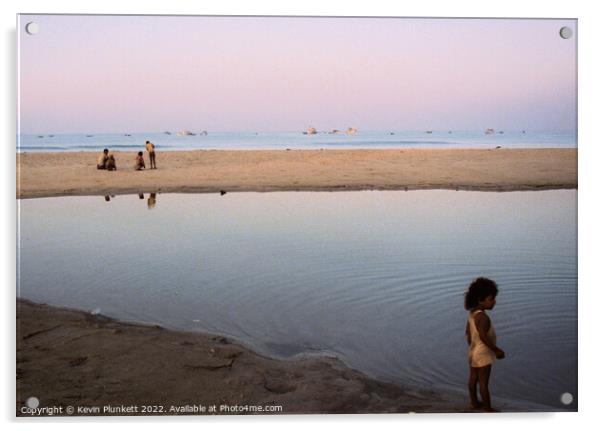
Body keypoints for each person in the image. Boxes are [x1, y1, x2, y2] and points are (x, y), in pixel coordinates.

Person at [464, 277, 505, 412]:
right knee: (483, 383)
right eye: (491, 299)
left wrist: (472, 346)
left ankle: (474, 403)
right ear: (481, 300)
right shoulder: (483, 317)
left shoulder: (472, 314)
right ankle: (488, 408)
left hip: (473, 351)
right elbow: (483, 336)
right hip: (483, 353)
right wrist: (496, 349)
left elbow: (468, 333)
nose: (494, 302)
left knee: (473, 379)